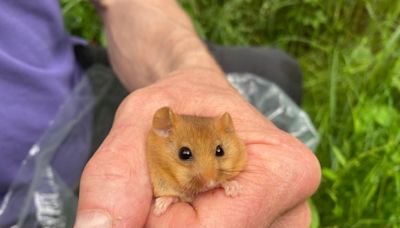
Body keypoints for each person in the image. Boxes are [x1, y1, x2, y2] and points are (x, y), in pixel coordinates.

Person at [0, 0, 321, 227]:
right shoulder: (161, 150)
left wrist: (192, 69)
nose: (208, 175)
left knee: (281, 73)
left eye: (219, 153)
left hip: (76, 85)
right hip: (16, 199)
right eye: (186, 155)